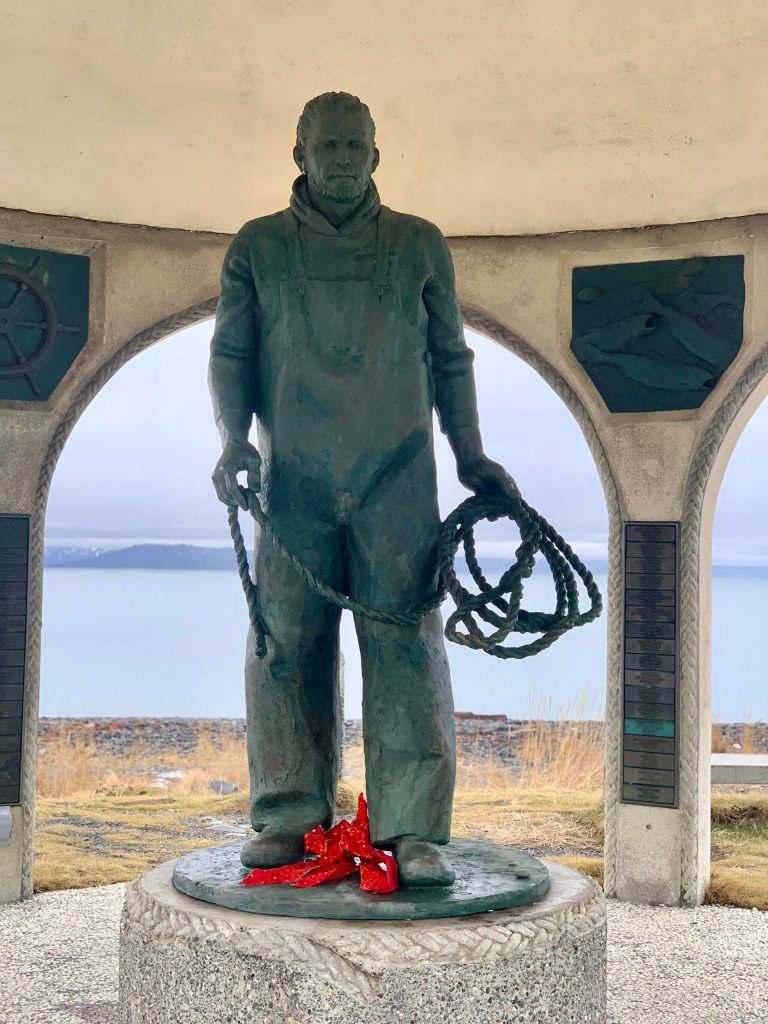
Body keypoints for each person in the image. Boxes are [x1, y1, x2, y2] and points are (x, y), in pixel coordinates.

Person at [209, 91, 515, 886]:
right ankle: (287, 813)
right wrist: (233, 440)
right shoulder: (257, 247)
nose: (343, 158)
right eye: (329, 145)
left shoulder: (420, 245)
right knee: (284, 643)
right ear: (299, 154)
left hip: (399, 476)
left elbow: (451, 359)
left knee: (407, 645)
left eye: (356, 145)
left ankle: (414, 827)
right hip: (292, 482)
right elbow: (231, 355)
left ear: (377, 156)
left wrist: (472, 454)